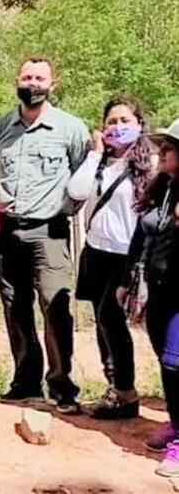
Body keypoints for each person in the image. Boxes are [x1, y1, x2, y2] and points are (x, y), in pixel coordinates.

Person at [0, 56, 90, 414]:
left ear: (52, 84)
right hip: (8, 232)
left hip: (50, 232)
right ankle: (24, 383)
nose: (33, 84)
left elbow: (83, 175)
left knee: (56, 308)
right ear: (17, 80)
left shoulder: (70, 129)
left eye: (40, 79)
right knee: (15, 307)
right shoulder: (0, 125)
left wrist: (67, 211)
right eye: (27, 77)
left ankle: (62, 387)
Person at [67, 96, 155, 419]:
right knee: (103, 322)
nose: (117, 128)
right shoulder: (100, 162)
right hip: (96, 251)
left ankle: (126, 392)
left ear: (139, 125)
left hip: (126, 256)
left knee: (112, 319)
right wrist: (94, 154)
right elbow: (76, 191)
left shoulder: (151, 164)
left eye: (125, 121)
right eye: (111, 122)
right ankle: (116, 389)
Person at [130, 119, 179, 475]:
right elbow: (146, 235)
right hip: (161, 288)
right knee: (166, 359)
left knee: (178, 361)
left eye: (170, 148)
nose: (161, 153)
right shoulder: (165, 187)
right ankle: (176, 424)